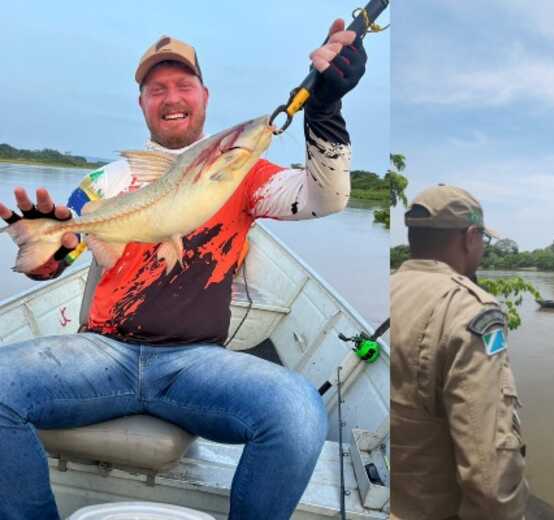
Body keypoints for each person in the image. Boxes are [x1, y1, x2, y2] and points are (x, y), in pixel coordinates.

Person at [0, 26, 367, 520]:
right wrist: (43, 239)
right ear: (142, 103)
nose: (171, 98)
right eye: (157, 89)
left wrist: (324, 109)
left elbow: (328, 198)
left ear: (204, 96)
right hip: (103, 352)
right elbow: (52, 263)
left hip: (196, 363)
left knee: (299, 410)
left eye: (183, 85)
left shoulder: (243, 172)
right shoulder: (103, 182)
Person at [390, 185, 528, 519]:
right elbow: (489, 476)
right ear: (469, 238)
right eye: (483, 239)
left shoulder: (391, 287)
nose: (483, 247)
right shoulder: (473, 313)